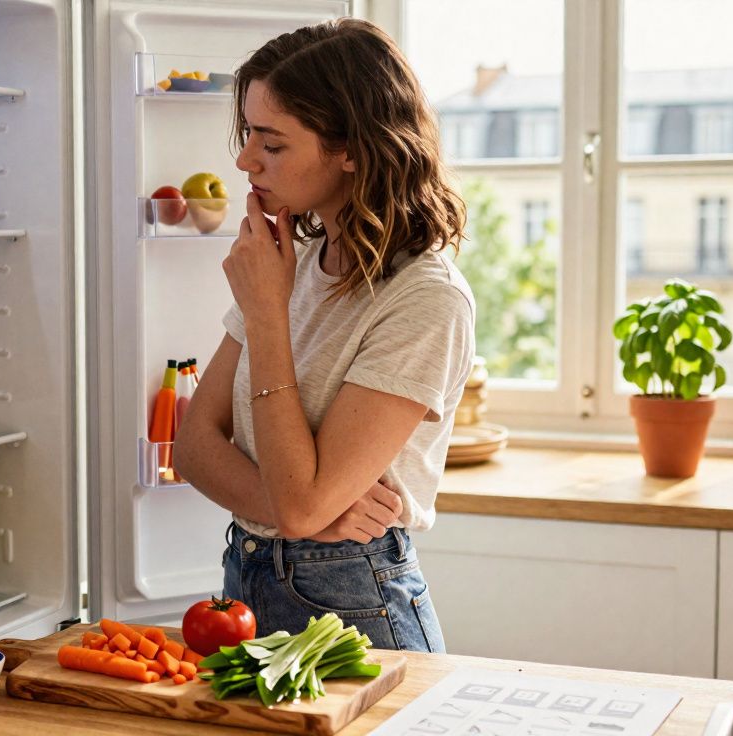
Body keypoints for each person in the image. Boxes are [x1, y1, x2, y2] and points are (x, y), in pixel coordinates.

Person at [173, 18, 474, 653]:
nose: (244, 159)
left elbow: (302, 508)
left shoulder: (425, 300)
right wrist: (291, 511)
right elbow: (194, 446)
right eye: (249, 133)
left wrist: (265, 315)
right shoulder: (296, 262)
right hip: (245, 576)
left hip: (352, 600)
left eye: (273, 144)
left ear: (353, 150)